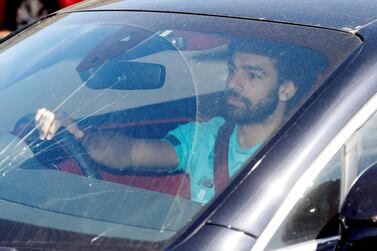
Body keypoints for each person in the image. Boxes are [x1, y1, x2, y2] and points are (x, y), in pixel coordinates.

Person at [34, 40, 326, 203]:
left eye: (253, 74)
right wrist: (81, 135)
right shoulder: (205, 137)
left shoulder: (304, 153)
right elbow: (130, 153)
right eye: (232, 69)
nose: (234, 83)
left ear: (286, 89)